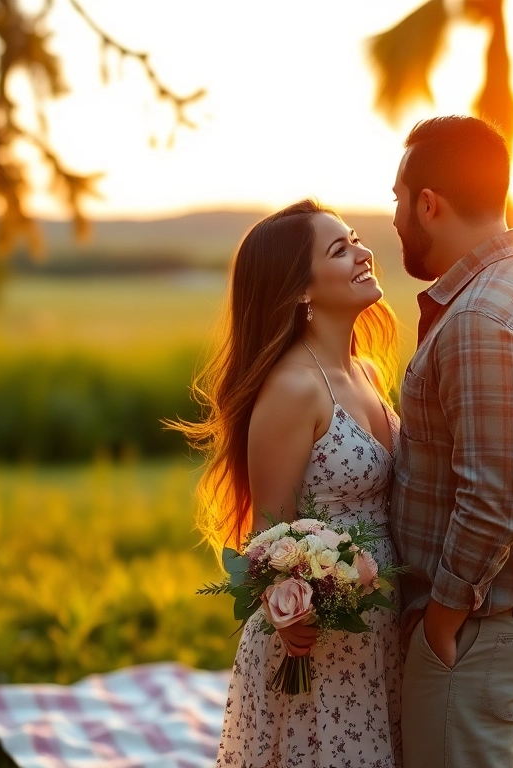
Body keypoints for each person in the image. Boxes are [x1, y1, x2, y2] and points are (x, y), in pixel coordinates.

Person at [175, 199, 403, 767]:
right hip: (318, 646)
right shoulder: (293, 390)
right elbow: (268, 539)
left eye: (354, 239)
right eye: (339, 249)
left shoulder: (367, 372)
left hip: (382, 633)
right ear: (300, 288)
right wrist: (292, 616)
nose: (362, 253)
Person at [389, 116, 513, 768]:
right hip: (502, 626)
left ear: (428, 204)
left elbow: (497, 496)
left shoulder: (480, 319)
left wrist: (442, 621)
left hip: (479, 632)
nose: (391, 218)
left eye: (397, 198)